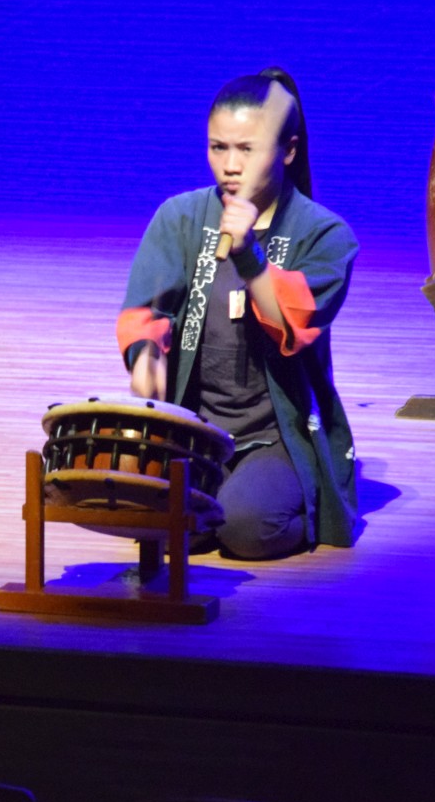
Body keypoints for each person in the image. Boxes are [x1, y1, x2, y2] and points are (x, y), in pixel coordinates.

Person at [117, 67, 358, 559]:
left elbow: (292, 322)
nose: (230, 165)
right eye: (218, 147)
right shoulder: (180, 218)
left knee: (244, 528)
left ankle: (305, 503)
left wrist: (249, 255)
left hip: (275, 436)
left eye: (247, 149)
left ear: (288, 151)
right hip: (197, 430)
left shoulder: (326, 235)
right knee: (161, 522)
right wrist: (146, 360)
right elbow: (146, 314)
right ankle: (215, 498)